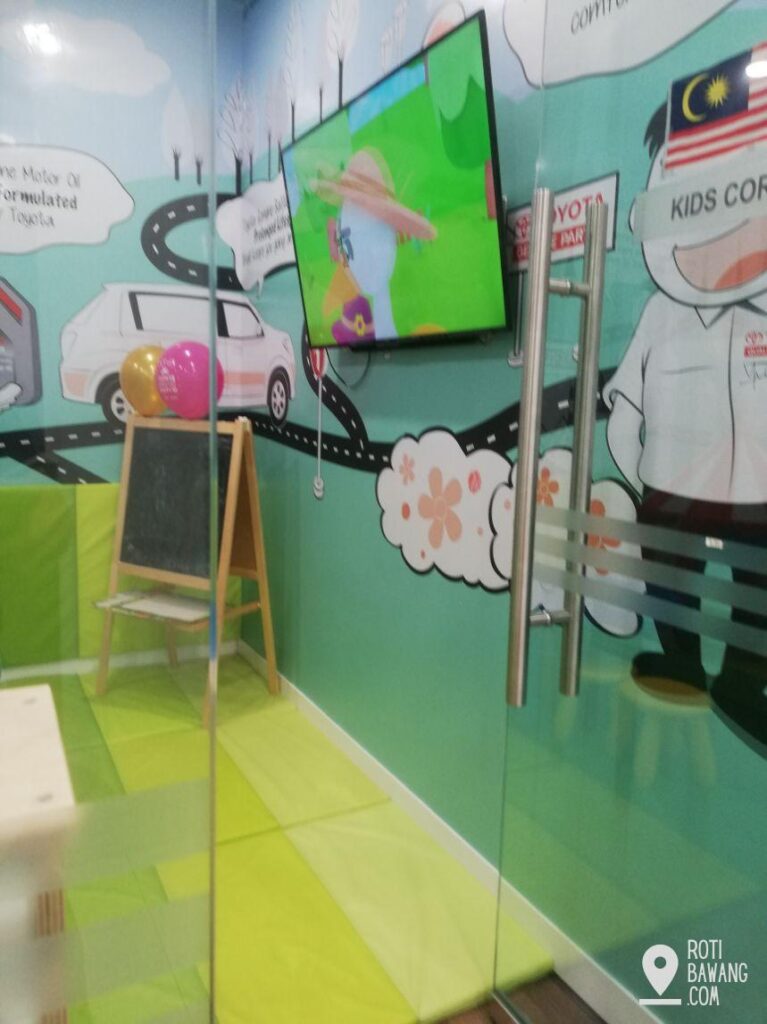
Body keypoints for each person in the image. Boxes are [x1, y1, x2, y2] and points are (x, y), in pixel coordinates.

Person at [605, 62, 767, 748]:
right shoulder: (659, 317)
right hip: (669, 493)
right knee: (669, 579)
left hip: (755, 499)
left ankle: (741, 679)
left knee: (755, 590)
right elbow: (626, 402)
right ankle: (681, 661)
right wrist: (636, 473)